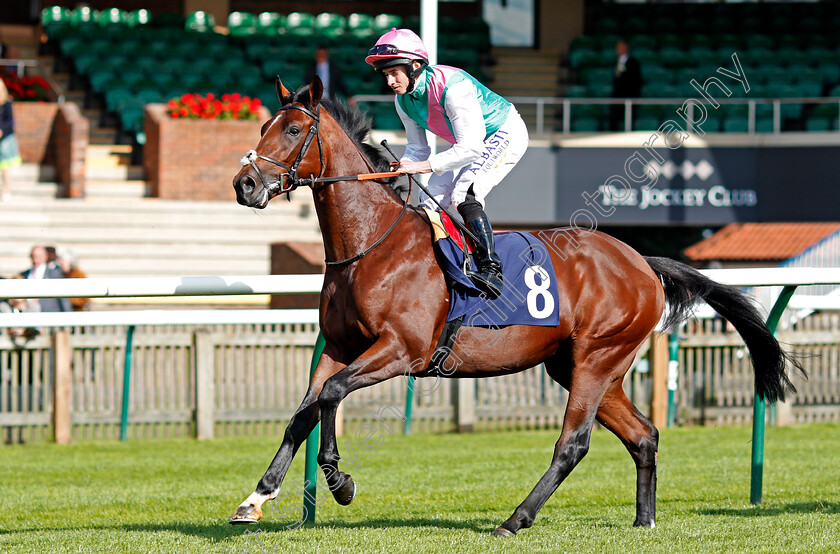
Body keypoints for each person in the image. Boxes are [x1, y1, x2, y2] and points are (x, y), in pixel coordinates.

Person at [365, 28, 529, 299]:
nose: (391, 81)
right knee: (429, 205)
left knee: (465, 193)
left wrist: (420, 167)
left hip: (504, 134)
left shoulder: (454, 88)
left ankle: (491, 267)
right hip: (466, 144)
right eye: (386, 75)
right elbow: (418, 148)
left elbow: (472, 147)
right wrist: (404, 164)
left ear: (414, 66)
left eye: (395, 72)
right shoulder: (402, 101)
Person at [20, 245, 71, 312]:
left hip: (49, 314)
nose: (35, 258)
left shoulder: (54, 274)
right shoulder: (24, 275)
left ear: (45, 257)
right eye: (33, 255)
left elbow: (63, 298)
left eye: (38, 256)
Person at [610, 40, 643, 131]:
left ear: (626, 48)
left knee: (630, 118)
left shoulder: (633, 62)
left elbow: (636, 80)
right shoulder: (615, 62)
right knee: (615, 118)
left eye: (620, 47)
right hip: (617, 96)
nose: (618, 49)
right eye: (617, 47)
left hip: (629, 95)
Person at [0, 78, 22, 201]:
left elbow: (9, 122)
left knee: (5, 168)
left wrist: (1, 131)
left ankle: (6, 190)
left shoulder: (7, 104)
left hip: (6, 140)